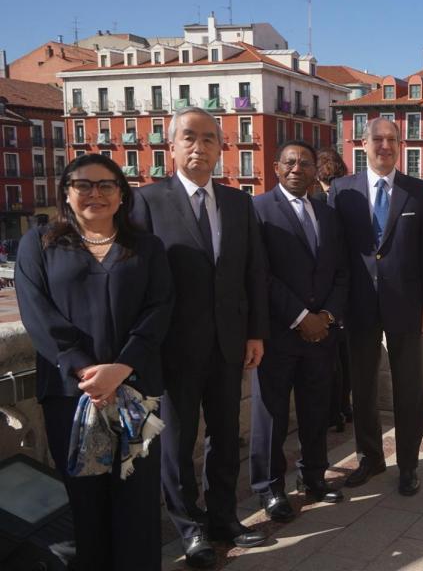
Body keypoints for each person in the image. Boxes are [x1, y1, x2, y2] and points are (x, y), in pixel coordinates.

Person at [16, 154, 173, 570]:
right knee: (84, 504)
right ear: (66, 193)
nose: (95, 194)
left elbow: (160, 308)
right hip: (72, 394)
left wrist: (122, 368)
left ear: (122, 195)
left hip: (137, 392)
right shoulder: (41, 243)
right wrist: (86, 370)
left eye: (106, 185)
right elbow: (37, 313)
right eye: (82, 185)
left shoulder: (147, 247)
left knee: (137, 499)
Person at [132, 107, 269, 567]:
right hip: (173, 349)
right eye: (189, 137)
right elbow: (138, 281)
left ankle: (224, 518)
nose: (200, 146)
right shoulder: (147, 202)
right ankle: (189, 528)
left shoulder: (237, 203)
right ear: (170, 146)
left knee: (226, 437)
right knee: (177, 442)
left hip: (229, 344)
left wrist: (255, 333)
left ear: (220, 147)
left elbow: (253, 273)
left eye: (209, 138)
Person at [328, 117, 423, 496]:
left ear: (400, 145)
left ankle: (408, 465)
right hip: (357, 307)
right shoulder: (342, 191)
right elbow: (335, 254)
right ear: (363, 144)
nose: (385, 146)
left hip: (407, 307)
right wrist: (335, 305)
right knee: (361, 388)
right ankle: (370, 457)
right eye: (378, 139)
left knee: (409, 389)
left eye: (393, 139)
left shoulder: (418, 191)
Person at [249, 140, 349, 523]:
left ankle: (314, 479)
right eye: (289, 162)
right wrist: (299, 316)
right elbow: (260, 272)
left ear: (314, 170)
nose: (296, 169)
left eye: (305, 163)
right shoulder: (257, 210)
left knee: (316, 410)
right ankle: (270, 490)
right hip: (277, 334)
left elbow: (342, 271)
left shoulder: (326, 214)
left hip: (322, 335)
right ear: (276, 167)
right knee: (270, 417)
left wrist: (326, 315)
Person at [315, 147, 353, 432]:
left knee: (330, 361)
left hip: (325, 296)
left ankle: (332, 412)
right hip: (348, 293)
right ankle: (344, 408)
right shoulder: (350, 200)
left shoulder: (318, 203)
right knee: (345, 358)